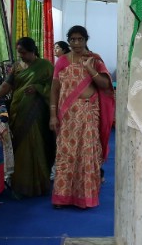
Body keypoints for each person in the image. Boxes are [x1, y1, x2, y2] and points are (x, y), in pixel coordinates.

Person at [49, 25, 114, 209]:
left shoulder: (94, 60)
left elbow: (105, 85)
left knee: (86, 155)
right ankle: (62, 197)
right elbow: (54, 90)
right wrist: (53, 115)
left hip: (87, 114)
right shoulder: (61, 61)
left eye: (80, 39)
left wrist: (90, 70)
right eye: (73, 39)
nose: (76, 43)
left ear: (86, 40)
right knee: (65, 154)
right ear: (68, 41)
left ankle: (84, 197)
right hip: (67, 116)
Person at [0, 37, 56, 198]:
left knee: (35, 145)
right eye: (19, 53)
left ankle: (38, 184)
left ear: (32, 50)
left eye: (24, 53)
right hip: (18, 110)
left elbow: (54, 89)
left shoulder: (46, 66)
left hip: (38, 113)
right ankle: (20, 185)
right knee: (19, 147)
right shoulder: (17, 67)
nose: (21, 56)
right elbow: (7, 85)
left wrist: (38, 87)